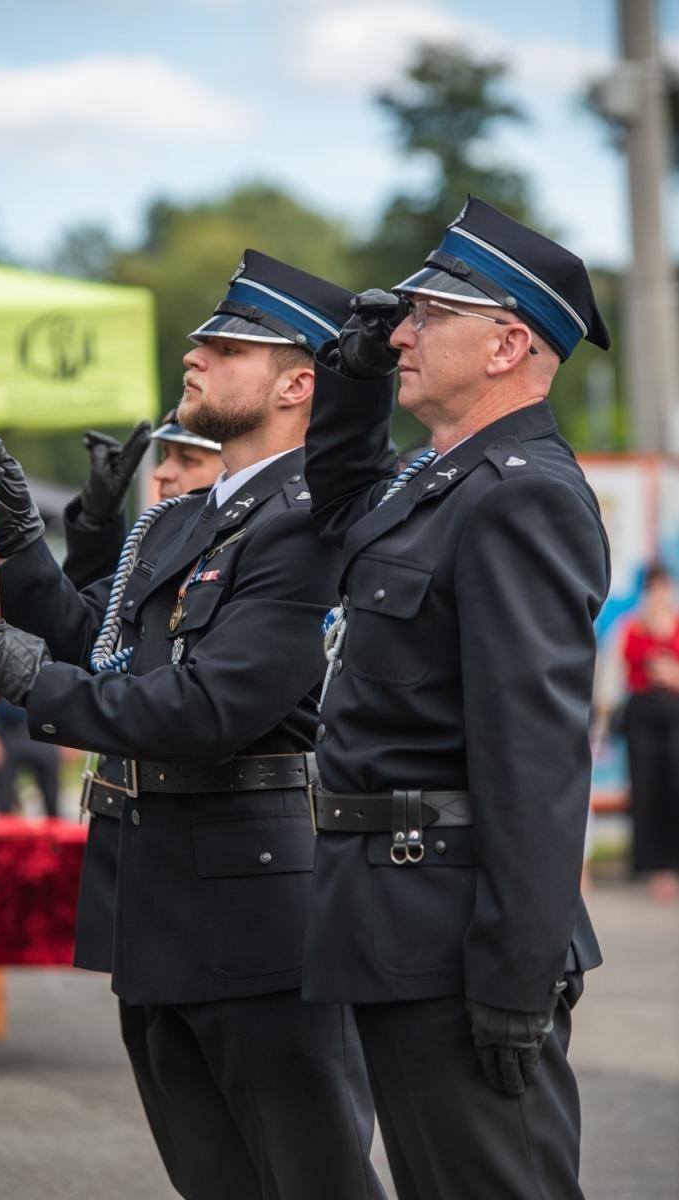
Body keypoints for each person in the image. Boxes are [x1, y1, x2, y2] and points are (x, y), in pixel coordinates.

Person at [0, 249, 387, 1200]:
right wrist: (17, 546)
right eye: (200, 343)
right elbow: (99, 650)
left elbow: (210, 710)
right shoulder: (182, 521)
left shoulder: (311, 522)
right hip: (155, 902)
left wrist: (35, 686)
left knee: (311, 1182)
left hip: (260, 914)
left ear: (298, 383)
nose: (194, 358)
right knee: (214, 1181)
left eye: (225, 347)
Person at [301, 196, 612, 1199]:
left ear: (506, 344)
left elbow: (536, 760)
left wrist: (517, 975)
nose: (402, 332)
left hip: (457, 933)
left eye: (427, 316)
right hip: (396, 915)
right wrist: (351, 385)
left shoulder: (522, 493)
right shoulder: (436, 479)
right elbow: (345, 509)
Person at [61, 413, 222, 971]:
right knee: (145, 1037)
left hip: (201, 834)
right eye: (165, 459)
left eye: (189, 460)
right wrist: (96, 522)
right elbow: (101, 625)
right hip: (125, 814)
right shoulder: (169, 528)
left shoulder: (260, 536)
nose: (165, 475)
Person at [62, 411, 222, 591]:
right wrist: (97, 526)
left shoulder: (244, 553)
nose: (160, 473)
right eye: (165, 456)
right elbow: (95, 614)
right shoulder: (157, 547)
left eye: (188, 460)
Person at [619, 563, 679, 900]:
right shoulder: (632, 627)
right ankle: (650, 865)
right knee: (645, 788)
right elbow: (620, 668)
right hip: (641, 714)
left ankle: (671, 862)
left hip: (673, 714)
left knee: (673, 784)